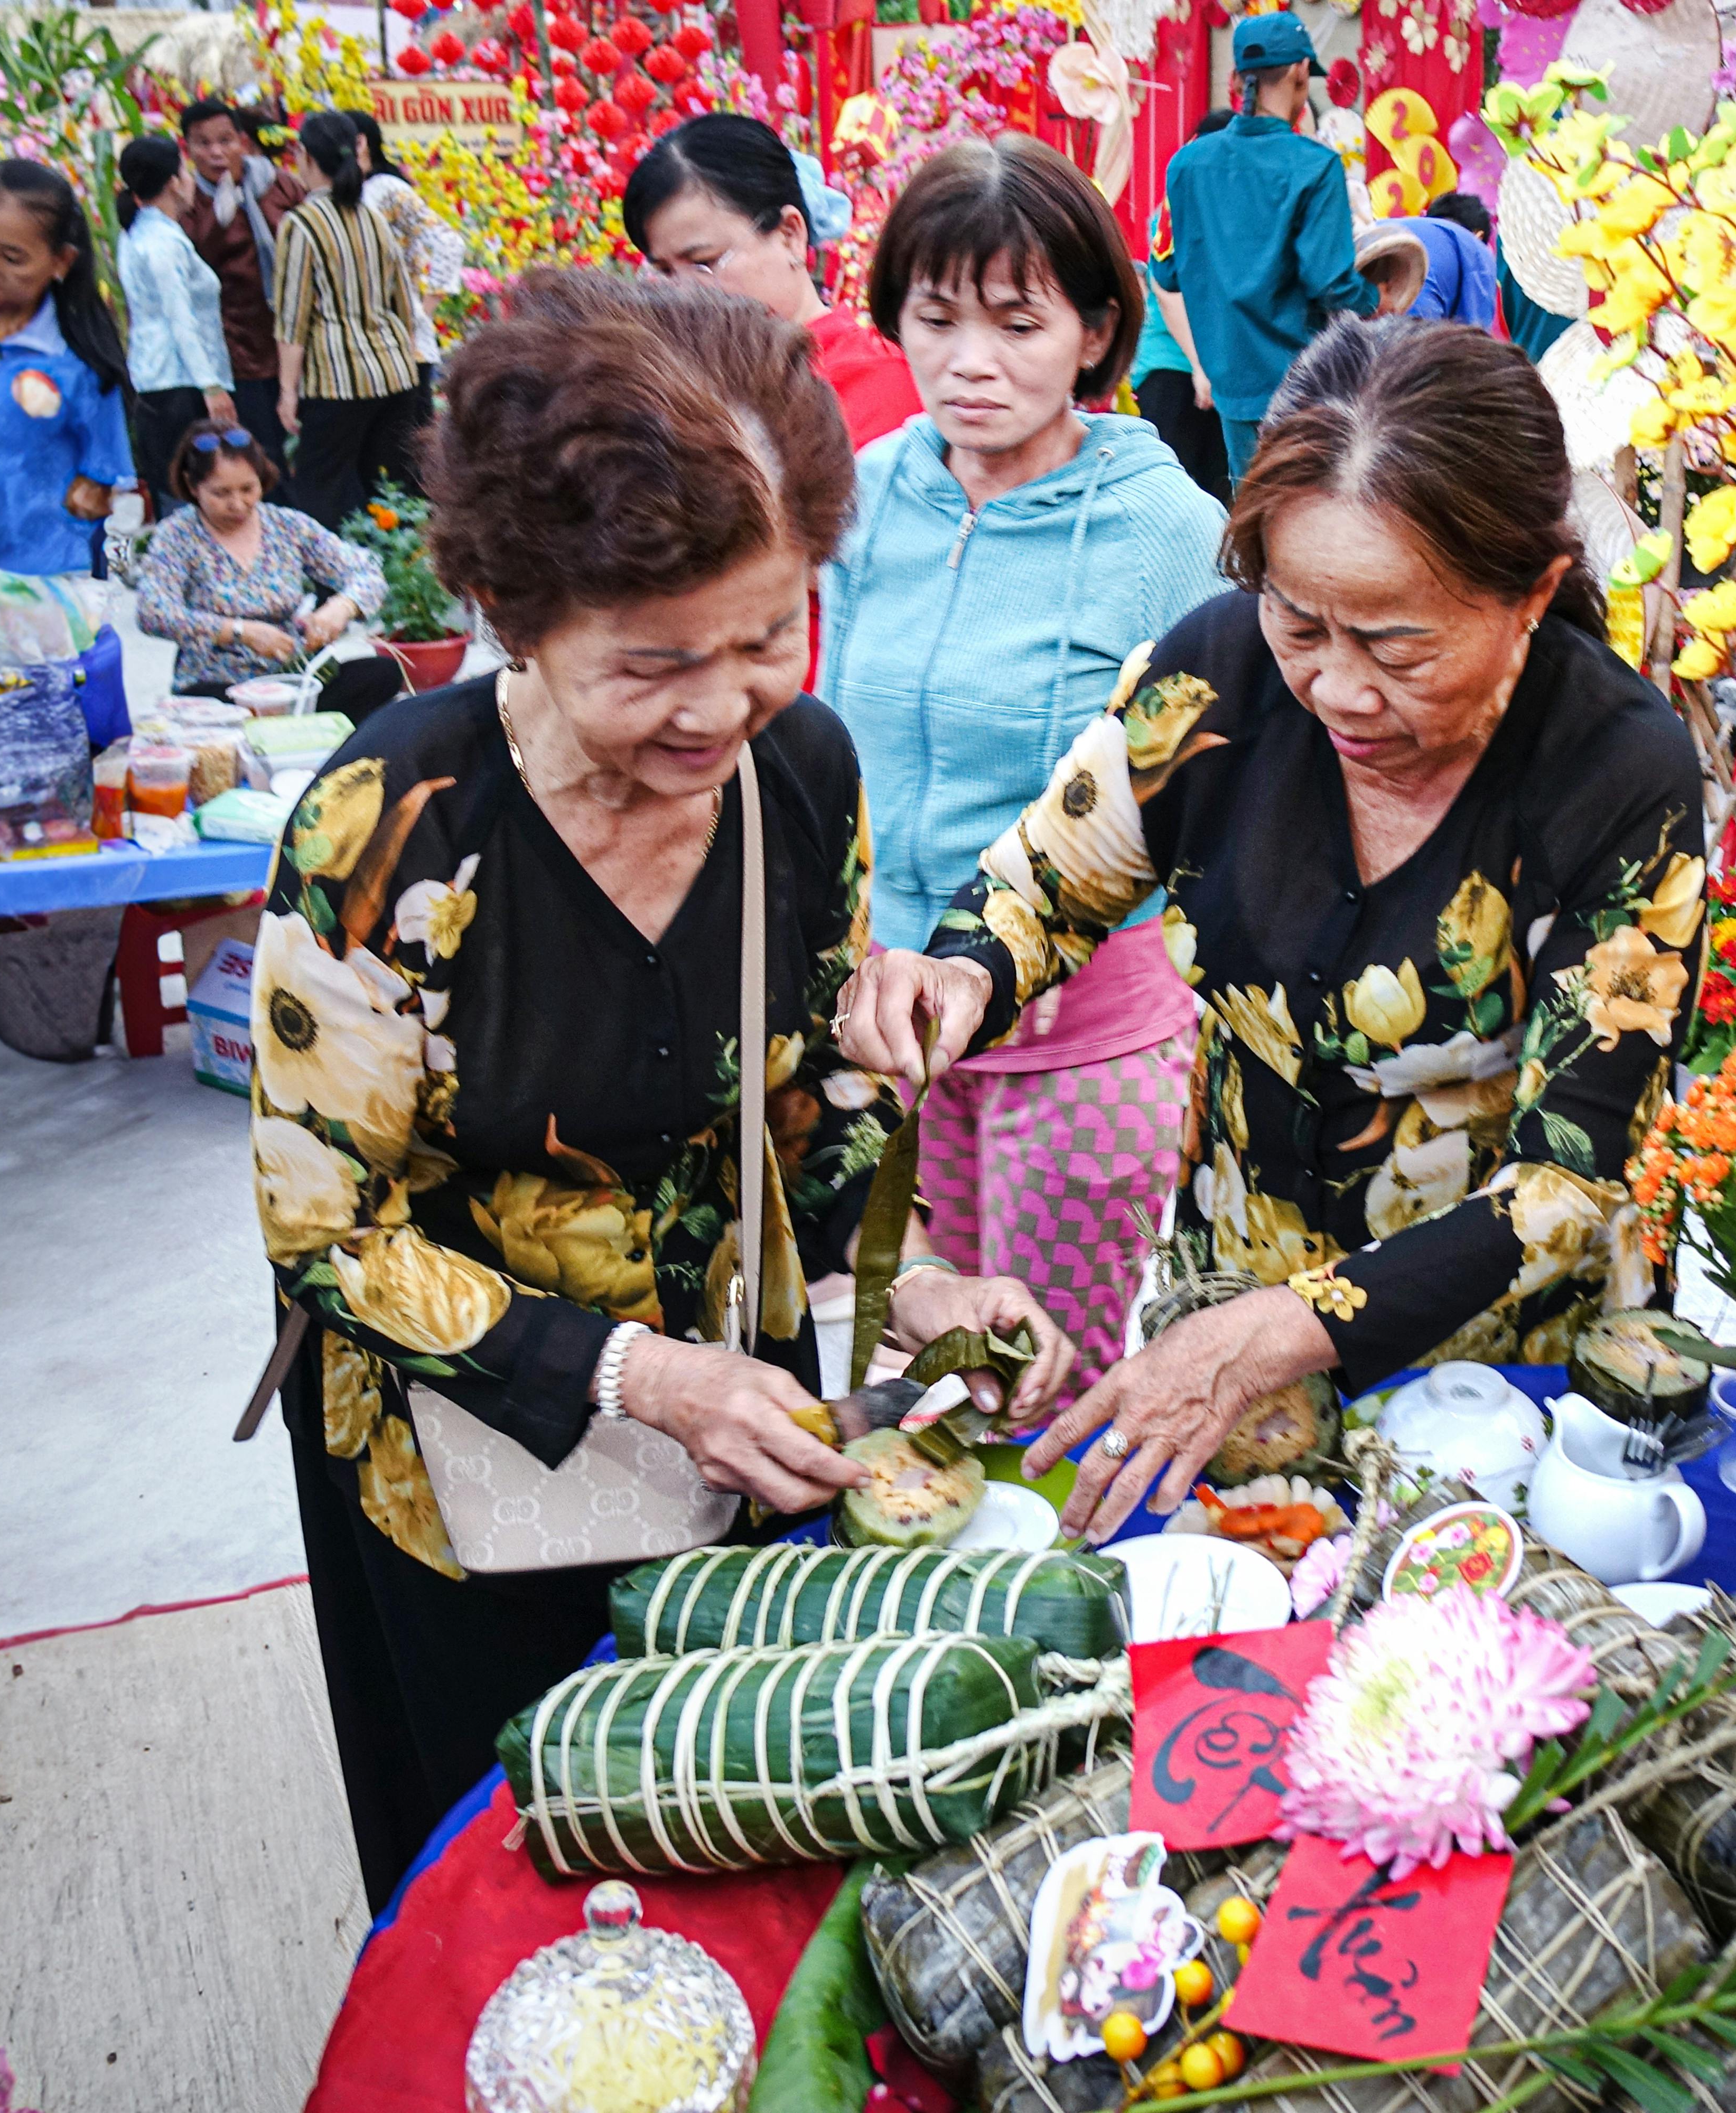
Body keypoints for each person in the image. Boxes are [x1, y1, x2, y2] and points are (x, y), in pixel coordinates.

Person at [249, 267, 1071, 1908]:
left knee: (724, 1831)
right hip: (466, 1459)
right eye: (649, 665)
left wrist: (911, 1288)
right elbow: (328, 1236)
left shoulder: (800, 771)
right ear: (511, 614)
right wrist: (638, 1373)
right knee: (510, 1862)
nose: (718, 706)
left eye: (767, 636)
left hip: (733, 1437)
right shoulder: (393, 824)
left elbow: (804, 1106)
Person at [837, 316, 1706, 1539]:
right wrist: (960, 979)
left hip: (1505, 1352)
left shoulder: (1615, 771)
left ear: (1533, 592)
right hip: (1234, 1284)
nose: (1342, 689)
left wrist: (1287, 1328)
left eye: (1399, 644)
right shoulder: (1215, 677)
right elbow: (1040, 886)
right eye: (1302, 625)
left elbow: (1570, 1176)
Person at [820, 136, 1224, 1415]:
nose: (970, 363)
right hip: (895, 1030)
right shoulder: (869, 495)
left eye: (1016, 321)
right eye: (934, 320)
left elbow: (1206, 784)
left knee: (1049, 1387)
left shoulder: (1169, 531)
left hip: (1084, 1041)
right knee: (922, 1372)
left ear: (1097, 328)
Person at [1151, 15, 1384, 486]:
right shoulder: (1316, 167)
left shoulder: (1187, 164)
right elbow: (1330, 282)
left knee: (1254, 519)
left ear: (1236, 80)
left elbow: (1169, 271)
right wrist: (1378, 298)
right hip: (1307, 385)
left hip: (1232, 390)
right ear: (1302, 71)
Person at [624, 113, 921, 449]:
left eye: (703, 263)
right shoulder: (675, 391)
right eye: (665, 272)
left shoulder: (882, 385)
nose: (682, 294)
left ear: (789, 235)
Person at [0, 160, 133, 582]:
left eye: (13, 259)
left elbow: (103, 478)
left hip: (44, 573)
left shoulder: (80, 366)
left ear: (61, 262)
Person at [134, 419, 383, 694]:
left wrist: (343, 607)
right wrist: (239, 631)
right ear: (193, 487)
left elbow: (367, 570)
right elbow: (153, 612)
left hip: (292, 677)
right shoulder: (177, 536)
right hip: (216, 683)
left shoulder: (287, 525)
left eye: (248, 489)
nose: (238, 504)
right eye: (221, 493)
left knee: (380, 675)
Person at [275, 111, 427, 528]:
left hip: (337, 379)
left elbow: (293, 316)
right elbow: (402, 302)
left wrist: (287, 391)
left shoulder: (301, 224)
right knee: (386, 485)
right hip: (395, 372)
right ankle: (392, 577)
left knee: (322, 485)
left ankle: (337, 583)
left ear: (304, 156)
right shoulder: (374, 219)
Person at [171, 97, 310, 462]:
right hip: (236, 350)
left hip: (294, 339)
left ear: (242, 142)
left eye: (226, 140)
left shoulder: (279, 186)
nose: (217, 152)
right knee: (261, 452)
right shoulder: (189, 202)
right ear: (188, 148)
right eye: (204, 143)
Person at [112, 136, 238, 504]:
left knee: (180, 491)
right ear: (173, 182)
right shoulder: (163, 243)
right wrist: (211, 386)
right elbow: (180, 320)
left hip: (158, 377)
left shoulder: (138, 233)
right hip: (179, 382)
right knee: (190, 493)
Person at [1130, 109, 1232, 506]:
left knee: (1219, 501)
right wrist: (1200, 366)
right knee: (1172, 497)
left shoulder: (1234, 216)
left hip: (1218, 378)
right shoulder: (1177, 211)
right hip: (1174, 370)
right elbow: (1171, 297)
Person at [347, 112, 468, 385]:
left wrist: (421, 312)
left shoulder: (385, 189)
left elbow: (449, 242)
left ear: (361, 143)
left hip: (406, 348)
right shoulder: (358, 192)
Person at [1409, 192, 1500, 330]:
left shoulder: (1397, 226)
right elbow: (1475, 332)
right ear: (1478, 237)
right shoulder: (1476, 250)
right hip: (1414, 330)